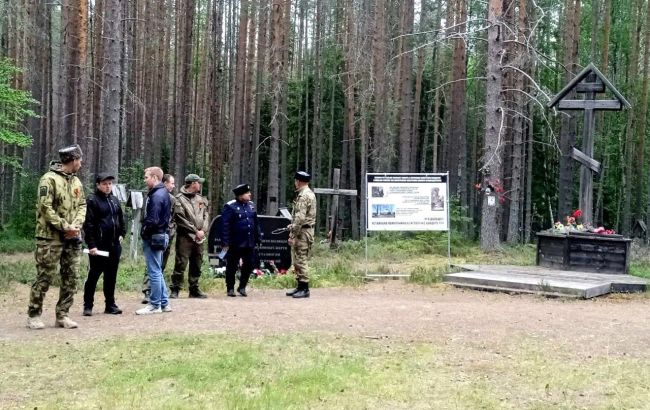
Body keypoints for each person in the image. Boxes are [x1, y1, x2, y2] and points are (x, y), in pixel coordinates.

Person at [27, 144, 87, 329]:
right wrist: (64, 226)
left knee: (72, 277)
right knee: (45, 276)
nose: (81, 163)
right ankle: (34, 315)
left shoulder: (76, 182)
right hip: (49, 237)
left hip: (73, 237)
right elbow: (45, 208)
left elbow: (82, 204)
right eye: (80, 160)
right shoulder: (49, 180)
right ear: (73, 160)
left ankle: (63, 315)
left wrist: (76, 225)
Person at [82, 173, 126, 316]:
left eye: (110, 184)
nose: (108, 186)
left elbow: (120, 219)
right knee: (94, 275)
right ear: (98, 185)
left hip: (114, 245)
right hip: (99, 246)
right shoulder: (92, 201)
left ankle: (110, 305)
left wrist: (122, 234)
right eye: (105, 184)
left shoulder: (114, 200)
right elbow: (88, 224)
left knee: (111, 276)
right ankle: (88, 305)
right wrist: (91, 245)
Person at [136, 167, 172, 315]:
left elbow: (153, 219)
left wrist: (144, 231)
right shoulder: (162, 193)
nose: (144, 180)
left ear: (155, 178)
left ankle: (155, 304)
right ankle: (164, 303)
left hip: (154, 236)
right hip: (160, 235)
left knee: (154, 271)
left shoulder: (157, 195)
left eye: (146, 177)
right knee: (157, 269)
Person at [170, 173, 209, 298]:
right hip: (185, 237)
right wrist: (194, 231)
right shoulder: (179, 199)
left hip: (199, 237)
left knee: (197, 262)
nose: (200, 185)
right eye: (199, 183)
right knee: (181, 263)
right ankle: (175, 289)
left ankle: (194, 289)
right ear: (193, 184)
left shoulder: (200, 199)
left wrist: (203, 230)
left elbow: (206, 216)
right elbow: (180, 218)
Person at [220, 184, 262, 297]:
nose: (250, 194)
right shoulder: (230, 207)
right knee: (232, 266)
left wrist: (258, 237)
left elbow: (255, 223)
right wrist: (225, 242)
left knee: (249, 264)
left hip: (249, 242)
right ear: (240, 195)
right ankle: (230, 288)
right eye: (247, 193)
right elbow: (225, 226)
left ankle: (242, 287)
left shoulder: (251, 206)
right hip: (235, 243)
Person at [285, 171, 317, 299]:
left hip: (302, 232)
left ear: (298, 181)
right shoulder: (309, 194)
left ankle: (305, 288)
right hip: (304, 231)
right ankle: (300, 286)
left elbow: (299, 218)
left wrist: (292, 234)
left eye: (295, 181)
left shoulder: (303, 196)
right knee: (297, 259)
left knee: (301, 259)